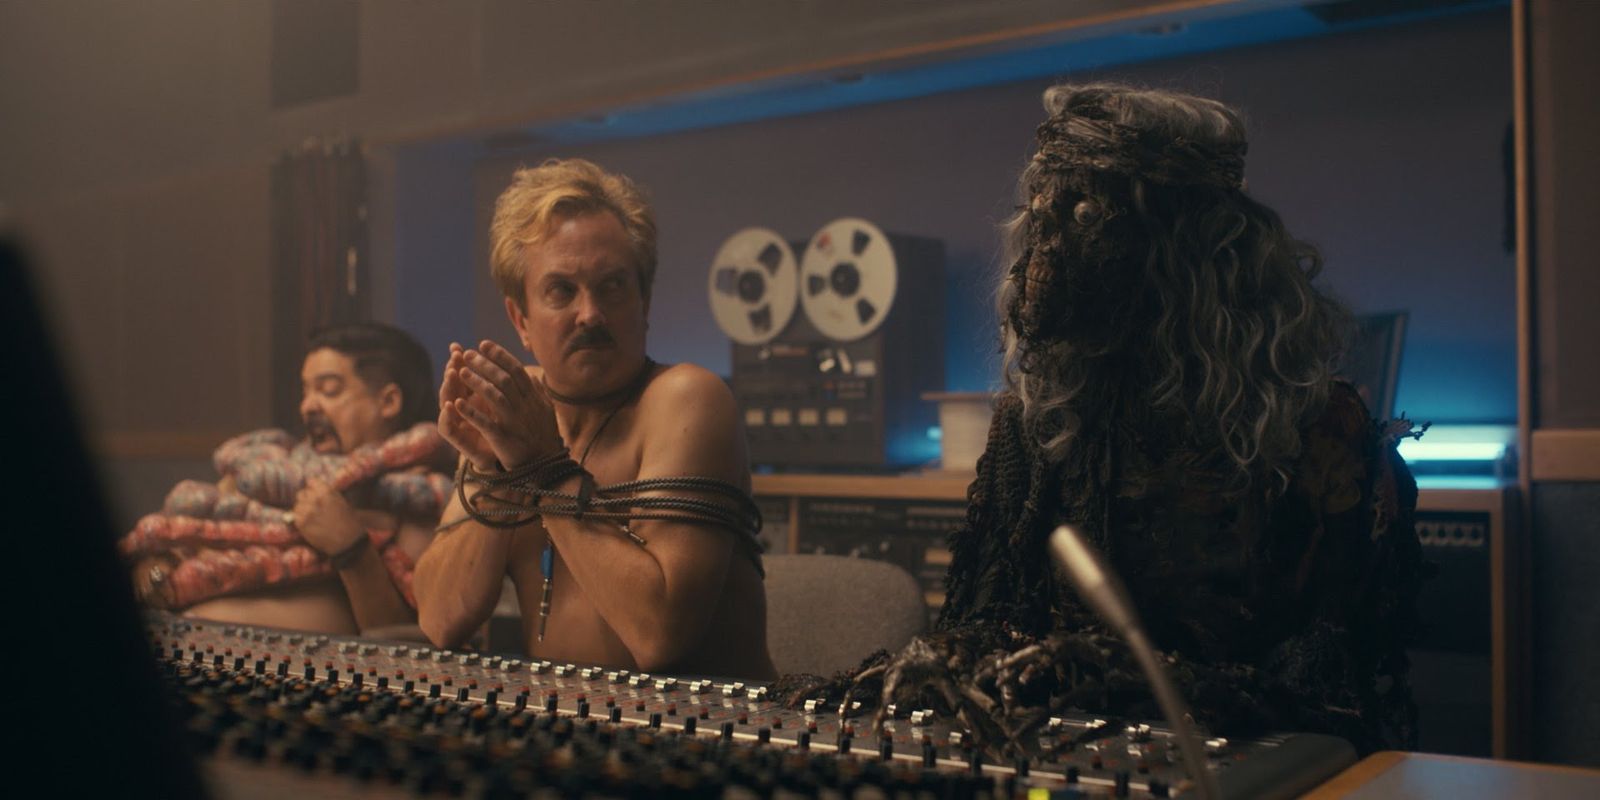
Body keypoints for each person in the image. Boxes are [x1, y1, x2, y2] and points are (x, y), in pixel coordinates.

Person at [775, 83, 1426, 756]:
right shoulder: (1039, 422)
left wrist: (1123, 679)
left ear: (1185, 246)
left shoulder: (1317, 430)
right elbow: (992, 628)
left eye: (1085, 214)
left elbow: (1334, 701)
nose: (1043, 254)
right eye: (1041, 212)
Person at [413, 158, 775, 679]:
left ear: (644, 302)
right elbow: (440, 621)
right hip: (560, 719)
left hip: (701, 723)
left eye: (613, 286)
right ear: (520, 319)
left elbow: (658, 636)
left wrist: (543, 468)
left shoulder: (687, 398)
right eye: (562, 291)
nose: (590, 314)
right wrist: (495, 471)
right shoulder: (516, 412)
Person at [123, 322, 454, 635]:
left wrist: (352, 548)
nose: (308, 406)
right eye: (305, 391)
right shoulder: (271, 474)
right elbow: (182, 542)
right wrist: (156, 568)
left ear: (389, 402)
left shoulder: (422, 502)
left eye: (329, 390)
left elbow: (406, 639)